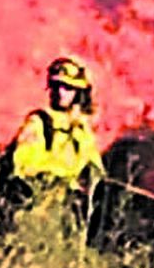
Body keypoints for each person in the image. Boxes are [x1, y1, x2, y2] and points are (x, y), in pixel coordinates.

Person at [10, 56, 104, 227]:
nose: (61, 92)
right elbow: (23, 166)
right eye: (57, 86)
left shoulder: (81, 130)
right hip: (37, 214)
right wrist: (62, 177)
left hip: (69, 217)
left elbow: (96, 171)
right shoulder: (38, 123)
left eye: (68, 88)